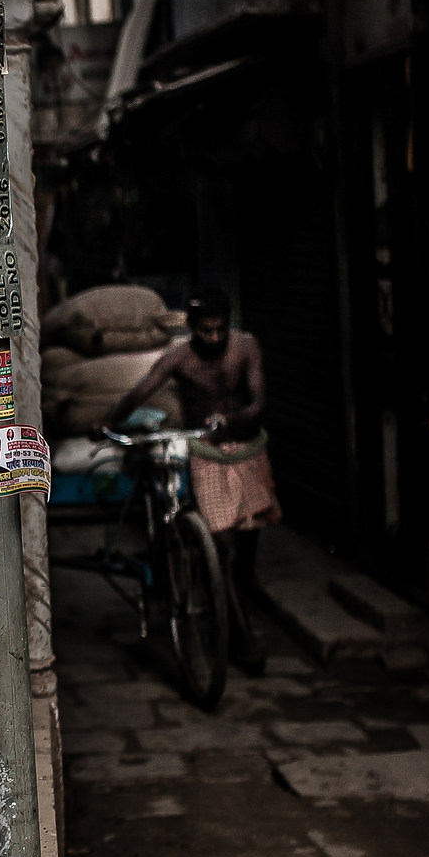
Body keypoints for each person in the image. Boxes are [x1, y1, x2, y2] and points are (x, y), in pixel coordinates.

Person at [105, 286, 278, 672]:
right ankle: (246, 645)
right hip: (206, 457)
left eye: (219, 330)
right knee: (225, 550)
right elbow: (143, 388)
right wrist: (111, 419)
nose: (213, 338)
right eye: (205, 331)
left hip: (249, 452)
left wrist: (231, 421)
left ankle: (232, 626)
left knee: (246, 557)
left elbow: (259, 401)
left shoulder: (247, 347)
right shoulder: (179, 357)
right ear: (192, 326)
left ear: (228, 324)